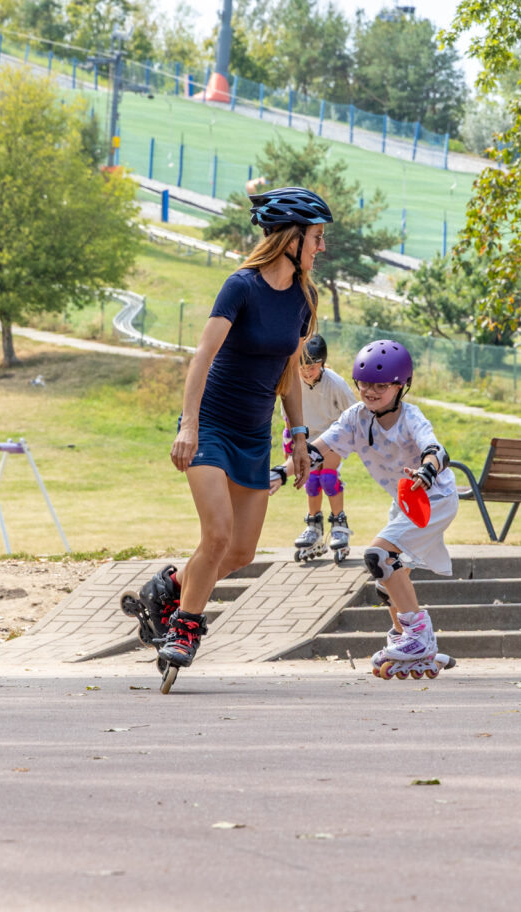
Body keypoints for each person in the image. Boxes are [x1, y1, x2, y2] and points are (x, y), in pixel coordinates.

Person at [135, 187, 333, 671]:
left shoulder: (303, 298)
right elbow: (202, 357)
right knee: (218, 536)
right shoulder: (241, 286)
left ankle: (170, 588)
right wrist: (189, 425)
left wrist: (299, 435)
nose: (320, 247)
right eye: (316, 237)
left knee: (241, 551)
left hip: (253, 433)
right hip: (212, 428)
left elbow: (288, 370)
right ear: (290, 238)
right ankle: (185, 628)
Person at [308, 338, 459, 679]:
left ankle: (418, 638)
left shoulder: (410, 417)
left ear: (401, 385)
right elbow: (317, 449)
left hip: (433, 499)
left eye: (380, 385)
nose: (370, 392)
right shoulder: (356, 418)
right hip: (404, 503)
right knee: (387, 579)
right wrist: (280, 471)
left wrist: (427, 469)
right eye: (364, 384)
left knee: (378, 557)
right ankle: (410, 640)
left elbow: (435, 449)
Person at [269, 333, 356, 561]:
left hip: (333, 437)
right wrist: (289, 442)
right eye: (302, 367)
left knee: (328, 477)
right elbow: (288, 417)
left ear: (323, 364)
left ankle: (339, 524)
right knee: (312, 480)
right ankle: (314, 526)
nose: (307, 372)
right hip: (307, 440)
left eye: (313, 367)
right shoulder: (292, 382)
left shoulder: (335, 383)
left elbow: (354, 414)